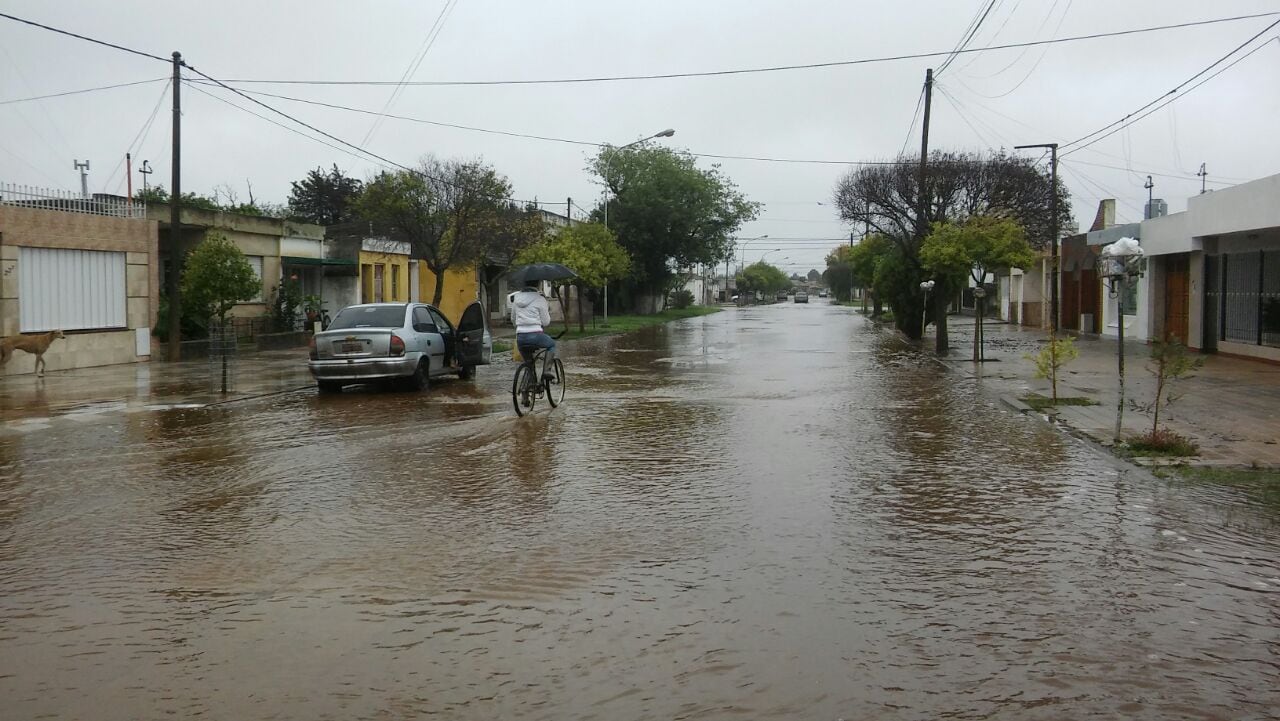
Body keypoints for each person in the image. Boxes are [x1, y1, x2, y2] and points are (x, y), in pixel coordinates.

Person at [510, 283, 557, 380]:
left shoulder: (516, 299)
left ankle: (529, 386)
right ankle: (546, 371)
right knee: (551, 345)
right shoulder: (540, 299)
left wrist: (520, 326)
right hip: (536, 335)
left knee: (529, 363)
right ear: (538, 284)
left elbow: (513, 319)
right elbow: (546, 322)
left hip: (520, 337)